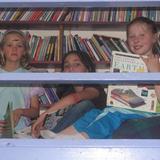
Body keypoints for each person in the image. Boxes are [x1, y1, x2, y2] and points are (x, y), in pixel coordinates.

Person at [33, 16, 160, 139]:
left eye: (142, 35)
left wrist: (155, 73)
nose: (136, 40)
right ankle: (60, 137)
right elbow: (127, 96)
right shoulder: (128, 65)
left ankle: (81, 138)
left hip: (151, 112)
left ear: (155, 37)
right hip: (132, 107)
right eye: (131, 36)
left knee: (112, 112)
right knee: (94, 113)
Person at [31, 50, 107, 138]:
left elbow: (75, 98)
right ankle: (47, 135)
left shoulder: (94, 88)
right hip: (72, 134)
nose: (70, 69)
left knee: (85, 104)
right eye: (67, 66)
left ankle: (49, 137)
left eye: (77, 64)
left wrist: (43, 116)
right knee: (59, 113)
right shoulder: (67, 93)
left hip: (96, 132)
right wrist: (42, 126)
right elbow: (59, 116)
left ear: (87, 69)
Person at [0, 30, 43, 135]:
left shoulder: (31, 77)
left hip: (21, 131)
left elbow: (35, 111)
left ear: (24, 51)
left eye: (19, 46)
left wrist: (20, 111)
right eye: (9, 45)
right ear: (2, 50)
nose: (14, 49)